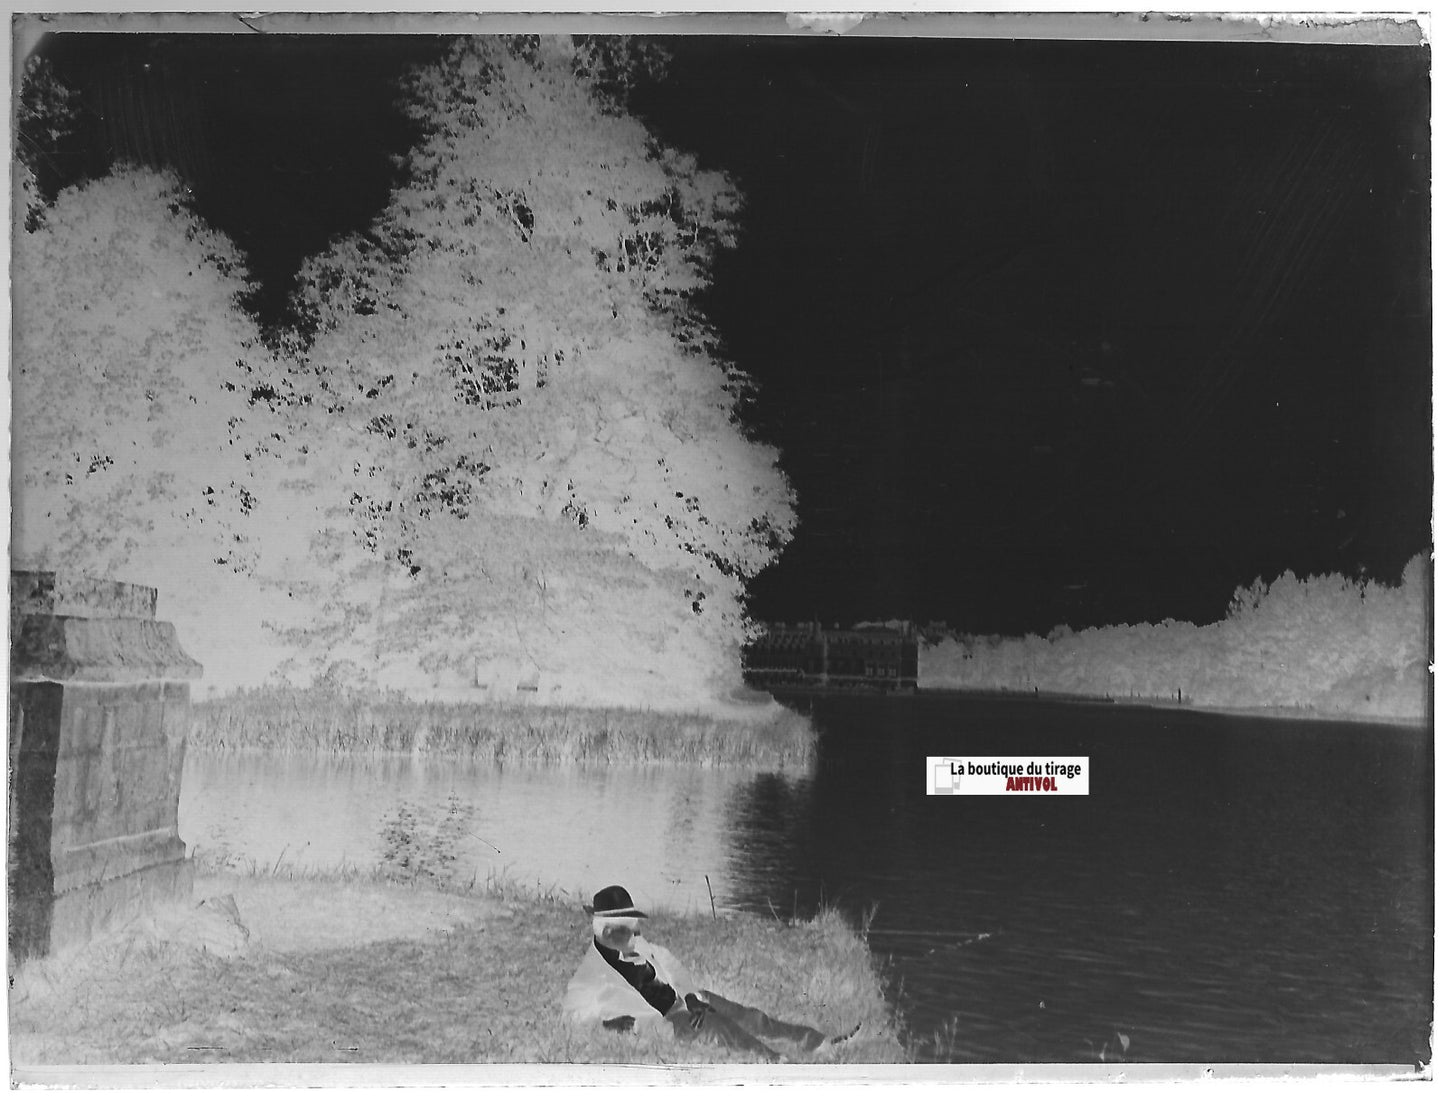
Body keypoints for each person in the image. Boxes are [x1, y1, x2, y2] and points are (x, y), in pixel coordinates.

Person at [562, 885, 853, 1061]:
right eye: (627, 927)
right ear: (605, 931)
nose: (636, 933)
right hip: (663, 1021)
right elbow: (572, 1016)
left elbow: (674, 967)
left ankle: (818, 1042)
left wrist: (691, 995)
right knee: (718, 1027)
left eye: (634, 925)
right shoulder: (590, 973)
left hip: (683, 1002)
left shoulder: (641, 946)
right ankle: (776, 1063)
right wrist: (610, 1025)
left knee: (748, 1017)